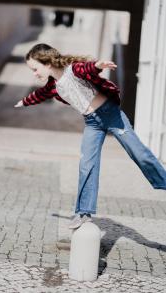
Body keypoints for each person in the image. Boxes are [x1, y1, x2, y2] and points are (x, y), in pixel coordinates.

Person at [14, 43, 166, 230]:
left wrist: (98, 65)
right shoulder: (53, 86)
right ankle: (83, 213)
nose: (34, 73)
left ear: (47, 63)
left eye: (35, 69)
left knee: (139, 153)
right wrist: (23, 101)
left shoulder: (72, 70)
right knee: (87, 165)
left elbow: (87, 68)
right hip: (92, 123)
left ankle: (163, 182)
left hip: (111, 115)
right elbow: (39, 95)